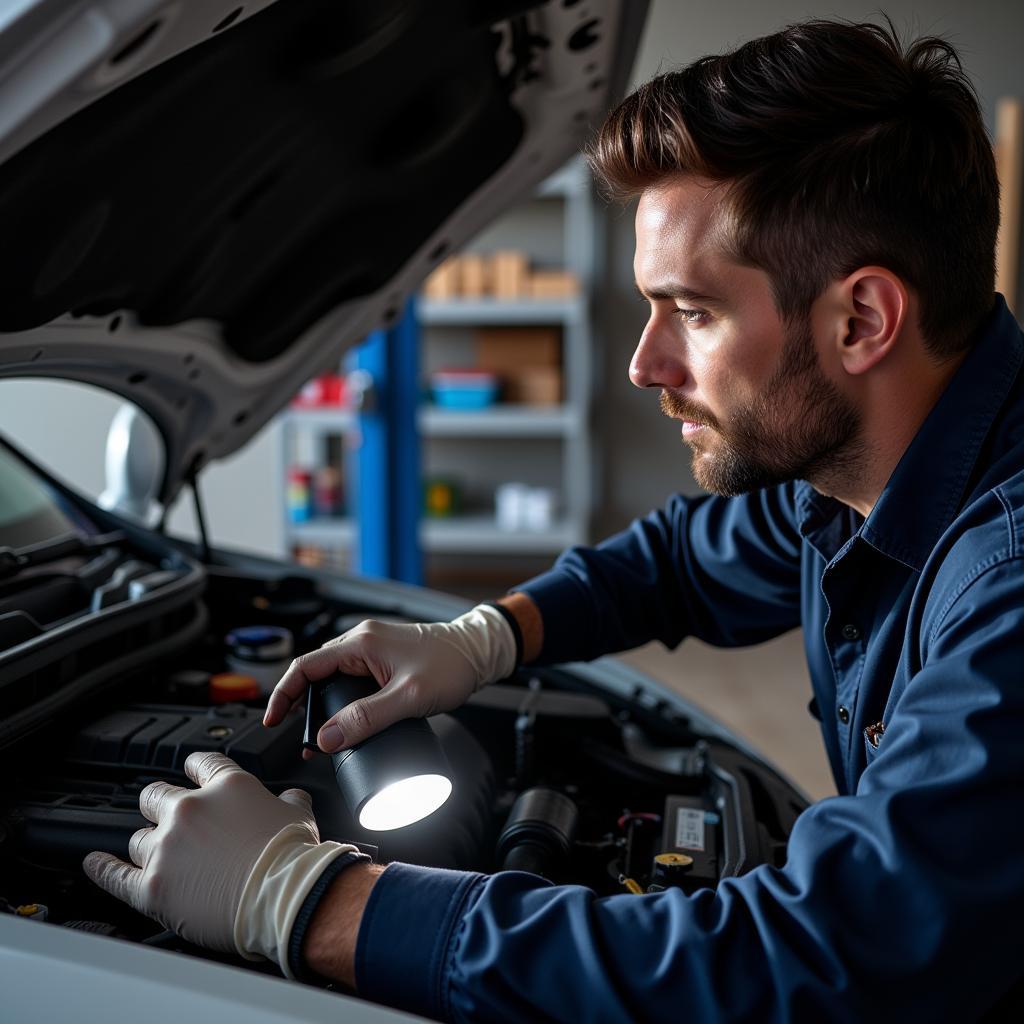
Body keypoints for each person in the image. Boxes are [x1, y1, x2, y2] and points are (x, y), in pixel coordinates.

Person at [84, 17, 1024, 1022]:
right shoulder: (852, 473)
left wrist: (311, 902)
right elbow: (675, 563)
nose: (645, 364)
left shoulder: (1004, 587)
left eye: (692, 313)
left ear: (861, 321)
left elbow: (816, 955)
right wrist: (484, 639)